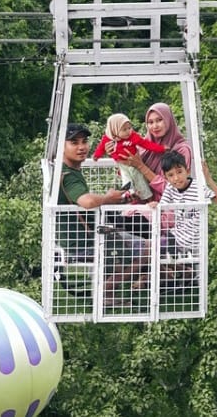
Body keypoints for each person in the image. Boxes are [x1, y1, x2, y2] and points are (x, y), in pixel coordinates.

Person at [58, 123, 148, 304]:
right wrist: (107, 197)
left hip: (89, 235)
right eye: (74, 143)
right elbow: (87, 201)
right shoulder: (68, 176)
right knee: (149, 247)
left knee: (127, 238)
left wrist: (121, 199)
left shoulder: (68, 170)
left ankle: (107, 291)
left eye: (84, 141)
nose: (82, 147)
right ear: (62, 146)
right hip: (85, 241)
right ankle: (104, 292)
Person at [115, 102, 193, 200]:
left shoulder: (181, 149)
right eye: (150, 122)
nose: (155, 126)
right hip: (140, 201)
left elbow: (175, 188)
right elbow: (130, 174)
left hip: (167, 205)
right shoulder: (143, 146)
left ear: (168, 120)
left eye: (159, 120)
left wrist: (140, 166)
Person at [157, 151, 217, 258]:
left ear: (187, 171)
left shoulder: (197, 187)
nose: (176, 178)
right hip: (175, 236)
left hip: (193, 240)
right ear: (166, 178)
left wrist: (208, 179)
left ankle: (178, 263)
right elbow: (161, 207)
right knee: (151, 247)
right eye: (171, 175)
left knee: (157, 248)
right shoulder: (170, 188)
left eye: (179, 172)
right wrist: (154, 205)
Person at [92, 112, 166, 199]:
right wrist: (96, 156)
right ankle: (130, 194)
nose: (128, 131)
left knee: (139, 180)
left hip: (133, 163)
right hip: (122, 165)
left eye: (129, 128)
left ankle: (147, 197)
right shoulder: (108, 138)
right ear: (114, 130)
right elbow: (101, 148)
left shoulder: (133, 136)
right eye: (124, 130)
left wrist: (162, 149)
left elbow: (146, 144)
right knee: (126, 180)